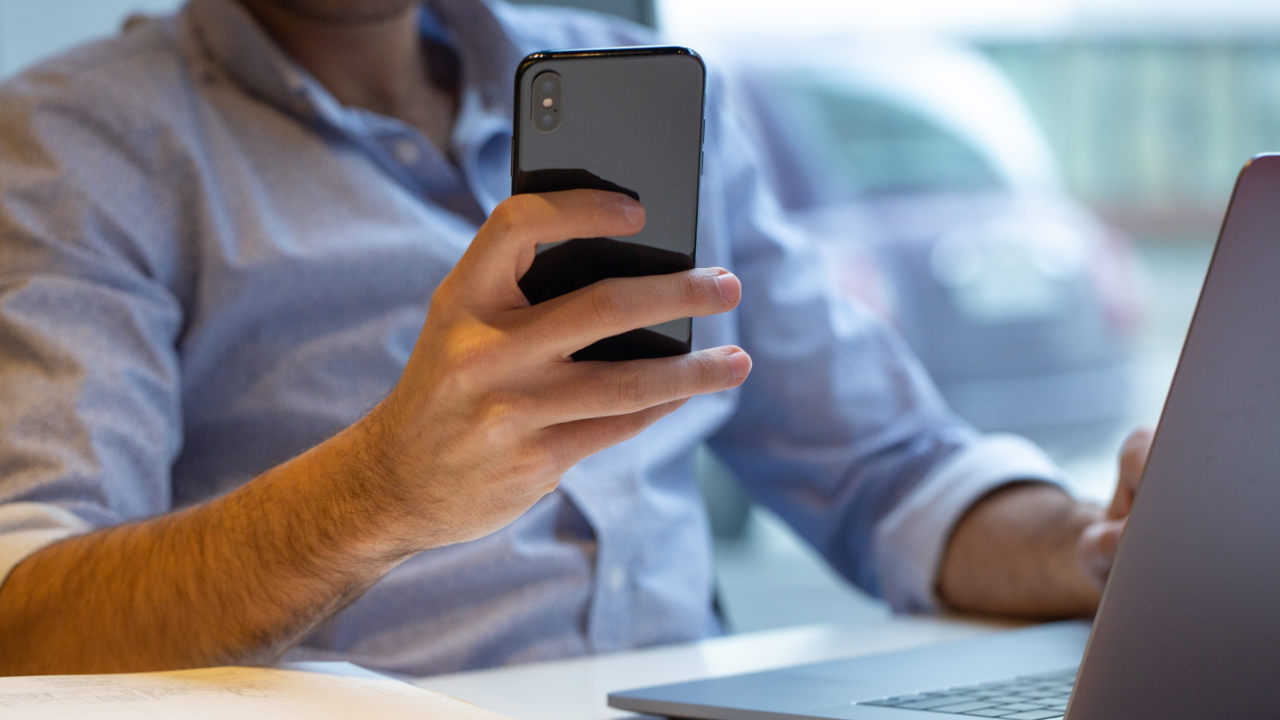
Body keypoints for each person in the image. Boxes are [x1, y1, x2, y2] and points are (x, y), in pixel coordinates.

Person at [0, 0, 1149, 676]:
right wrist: (378, 493)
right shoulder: (77, 143)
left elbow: (888, 470)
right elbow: (30, 622)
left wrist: (1094, 551)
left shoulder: (642, 87)